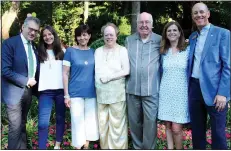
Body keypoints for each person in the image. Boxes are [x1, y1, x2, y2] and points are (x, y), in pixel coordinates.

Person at [188, 2, 230, 149]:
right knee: (197, 133)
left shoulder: (223, 34)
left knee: (218, 134)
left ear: (208, 14)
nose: (199, 15)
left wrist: (223, 93)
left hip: (215, 91)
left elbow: (228, 65)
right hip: (194, 88)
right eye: (195, 13)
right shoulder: (193, 37)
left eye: (201, 12)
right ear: (192, 17)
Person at [1, 16, 40, 149]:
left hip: (27, 93)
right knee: (15, 127)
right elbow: (4, 70)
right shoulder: (9, 43)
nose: (33, 33)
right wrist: (25, 80)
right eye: (30, 29)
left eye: (36, 30)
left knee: (22, 124)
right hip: (13, 93)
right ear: (23, 27)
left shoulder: (33, 47)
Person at [125, 12, 161, 149]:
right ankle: (137, 148)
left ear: (152, 24)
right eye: (141, 22)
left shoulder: (160, 40)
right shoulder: (129, 40)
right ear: (137, 23)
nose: (144, 25)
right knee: (134, 123)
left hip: (151, 90)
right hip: (132, 89)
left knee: (150, 123)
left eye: (147, 22)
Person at [62, 24, 99, 149]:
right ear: (76, 37)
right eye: (79, 35)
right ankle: (78, 148)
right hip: (75, 93)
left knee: (90, 123)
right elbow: (65, 73)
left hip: (91, 93)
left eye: (85, 35)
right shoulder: (70, 51)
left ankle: (86, 147)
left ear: (89, 36)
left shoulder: (94, 52)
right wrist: (66, 95)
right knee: (77, 123)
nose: (82, 38)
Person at [95, 22, 130, 149]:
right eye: (106, 35)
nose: (109, 37)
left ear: (116, 36)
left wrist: (109, 77)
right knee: (103, 126)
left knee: (117, 127)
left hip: (117, 94)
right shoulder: (98, 51)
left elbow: (126, 71)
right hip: (101, 95)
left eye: (111, 34)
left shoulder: (122, 50)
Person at [158, 21, 190, 149]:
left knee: (177, 128)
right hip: (165, 92)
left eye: (174, 30)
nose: (172, 33)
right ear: (165, 34)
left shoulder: (187, 49)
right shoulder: (163, 51)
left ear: (179, 33)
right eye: (169, 30)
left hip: (181, 93)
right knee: (168, 126)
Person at [37, 25, 66, 149]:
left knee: (60, 118)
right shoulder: (38, 51)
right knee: (43, 123)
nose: (47, 37)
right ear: (42, 38)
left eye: (50, 34)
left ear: (54, 34)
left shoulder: (63, 51)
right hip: (45, 92)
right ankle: (42, 148)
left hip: (60, 90)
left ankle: (57, 145)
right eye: (44, 35)